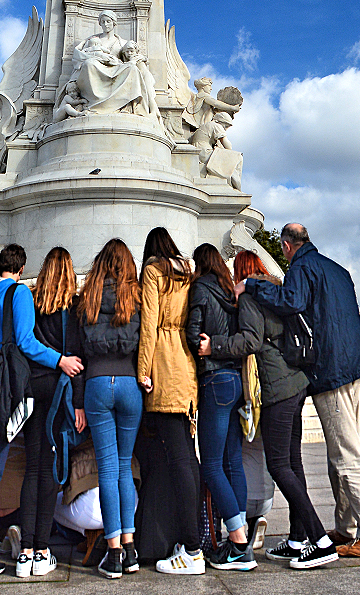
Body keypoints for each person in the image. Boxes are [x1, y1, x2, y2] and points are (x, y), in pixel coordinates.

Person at [236, 224, 360, 557]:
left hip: (330, 370)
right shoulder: (336, 268)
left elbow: (292, 301)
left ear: (287, 246)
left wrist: (250, 286)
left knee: (347, 455)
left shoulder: (301, 268)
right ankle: (347, 528)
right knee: (340, 454)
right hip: (351, 365)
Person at [203, 249, 338, 570]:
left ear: (240, 273)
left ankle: (320, 541)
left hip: (277, 388)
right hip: (297, 382)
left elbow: (250, 341)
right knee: (294, 463)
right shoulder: (277, 290)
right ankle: (296, 539)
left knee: (279, 466)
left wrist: (216, 345)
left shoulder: (250, 296)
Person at [0, 243, 83, 580]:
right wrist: (60, 359)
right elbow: (25, 342)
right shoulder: (20, 295)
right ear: (22, 266)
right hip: (4, 385)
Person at [136, 227, 204, 575]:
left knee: (178, 460)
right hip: (185, 363)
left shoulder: (153, 271)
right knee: (188, 459)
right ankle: (196, 537)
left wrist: (143, 369)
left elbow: (149, 323)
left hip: (162, 359)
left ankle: (192, 546)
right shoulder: (187, 272)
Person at [16, 247, 86, 578]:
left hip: (32, 389)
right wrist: (80, 403)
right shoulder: (73, 310)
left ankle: (25, 552)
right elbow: (78, 360)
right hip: (60, 392)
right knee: (51, 470)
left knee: (33, 469)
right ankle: (42, 550)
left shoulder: (31, 301)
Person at [186, 243, 256, 572]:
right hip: (236, 380)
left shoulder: (200, 286)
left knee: (211, 466)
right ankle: (239, 540)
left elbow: (192, 333)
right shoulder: (232, 289)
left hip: (214, 379)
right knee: (232, 462)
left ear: (200, 263)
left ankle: (239, 542)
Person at [78, 238, 143, 578]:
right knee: (123, 465)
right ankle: (131, 546)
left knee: (107, 469)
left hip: (97, 383)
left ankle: (114, 550)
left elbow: (80, 344)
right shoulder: (136, 295)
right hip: (131, 383)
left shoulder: (88, 295)